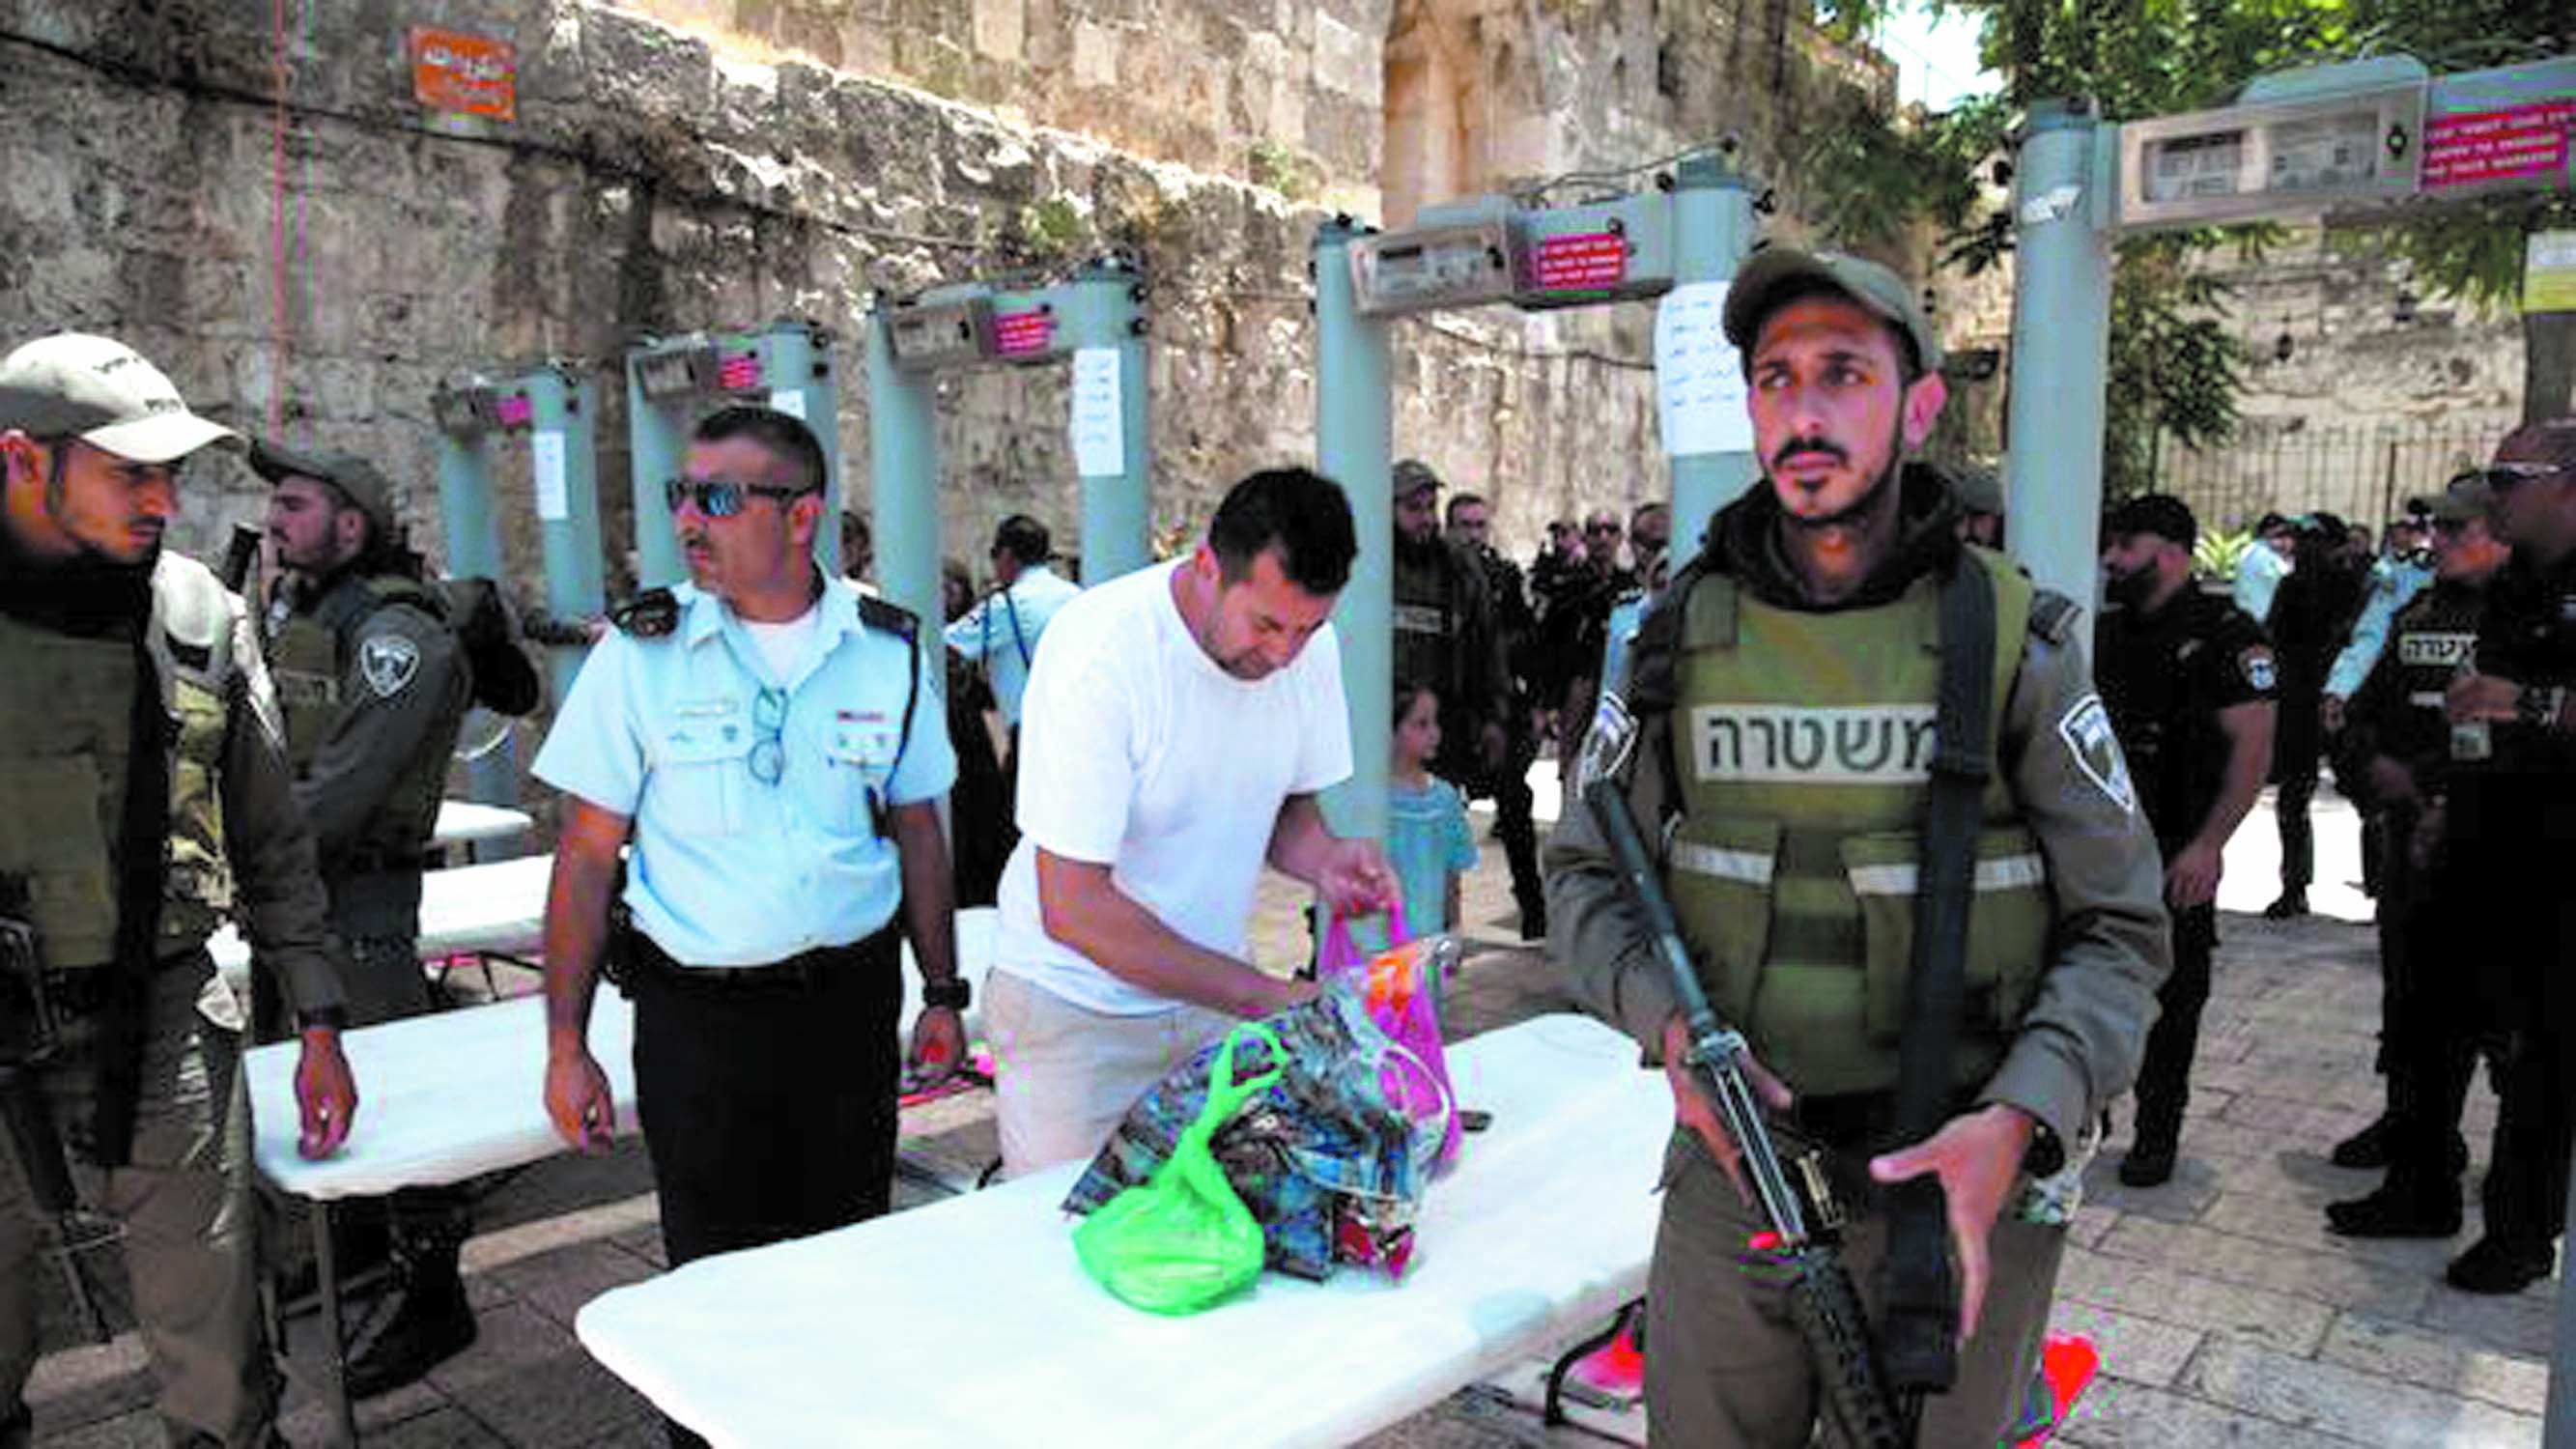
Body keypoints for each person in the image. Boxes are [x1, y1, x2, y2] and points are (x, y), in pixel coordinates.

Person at [1546, 249, 2169, 1446]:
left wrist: (2023, 1120)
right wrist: (1667, 1032)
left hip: (1960, 1182)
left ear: (1919, 404)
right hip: (1739, 1180)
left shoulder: (2013, 647)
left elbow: (2123, 927)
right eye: (1777, 379)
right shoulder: (1676, 637)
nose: (1807, 411)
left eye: (1844, 373)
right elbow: (1586, 871)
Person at [0, 332, 358, 1448]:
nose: (162, 497)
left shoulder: (199, 614)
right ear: (22, 460)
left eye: (171, 471)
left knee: (215, 1357)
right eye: (129, 470)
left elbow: (272, 840)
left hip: (161, 1020)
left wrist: (319, 1020)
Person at [535, 407, 964, 1312]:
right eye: (681, 494)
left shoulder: (887, 651)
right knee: (714, 1288)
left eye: (718, 498)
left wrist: (940, 994)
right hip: (702, 1024)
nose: (688, 519)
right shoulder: (640, 657)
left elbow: (919, 825)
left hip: (847, 1009)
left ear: (801, 515)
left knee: (846, 1260)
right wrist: (566, 1047)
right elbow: (582, 863)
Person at [985, 466, 1398, 1178]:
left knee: (1214, 1245)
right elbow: (1073, 907)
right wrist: (1263, 996)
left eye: (1308, 628)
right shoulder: (1099, 650)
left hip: (1209, 1002)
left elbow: (1286, 811)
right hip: (1076, 1013)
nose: (1283, 654)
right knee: (1068, 1260)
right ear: (1206, 566)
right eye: (1266, 623)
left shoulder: (1307, 650)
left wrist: (1325, 859)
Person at [252, 440, 479, 1393]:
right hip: (302, 881)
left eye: (295, 506)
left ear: (352, 524)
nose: (274, 522)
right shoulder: (297, 608)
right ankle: (349, 1243)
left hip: (361, 891)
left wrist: (249, 856)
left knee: (389, 1079)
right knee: (304, 1066)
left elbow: (344, 789)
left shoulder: (397, 632)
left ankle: (436, 1293)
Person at [2416, 418, 2576, 1293]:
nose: (2491, 491)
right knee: (2439, 1013)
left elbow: (2526, 701)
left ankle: (2521, 1231)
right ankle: (2421, 1181)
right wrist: (2447, 794)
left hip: (2561, 860)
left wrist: (2531, 702)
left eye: (2507, 475)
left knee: (2542, 1057)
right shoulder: (2512, 585)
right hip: (2487, 832)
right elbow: (2487, 701)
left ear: (2565, 482)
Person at [2323, 473, 2503, 1237]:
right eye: (2438, 530)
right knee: (2411, 1002)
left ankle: (2518, 1190)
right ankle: (2411, 1134)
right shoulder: (2417, 607)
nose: (2441, 543)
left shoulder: (2523, 618)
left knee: (2496, 1021)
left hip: (2488, 844)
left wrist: (2430, 783)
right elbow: (2364, 705)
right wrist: (2375, 774)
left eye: (2459, 531)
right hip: (2406, 837)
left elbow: (2507, 734)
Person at [2096, 494, 2278, 1188]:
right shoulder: (2108, 634)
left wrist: (2209, 844)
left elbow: (2251, 748)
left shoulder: (2226, 633)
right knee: (2094, 985)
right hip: (2105, 848)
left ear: (2170, 550)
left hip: (2177, 847)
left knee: (2173, 1002)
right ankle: (2093, 1113)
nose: (2111, 559)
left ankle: (2155, 1133)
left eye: (2125, 545)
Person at [1388, 463, 1514, 930]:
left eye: (1429, 507)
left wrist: (1494, 718)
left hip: (1439, 734)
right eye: (1411, 508)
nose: (1424, 519)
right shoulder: (1370, 567)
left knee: (1438, 845)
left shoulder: (1459, 570)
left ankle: (1441, 937)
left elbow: (1487, 647)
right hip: (1376, 739)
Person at [1445, 490, 1546, 938]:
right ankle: (1443, 921)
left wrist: (1530, 702)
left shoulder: (1504, 577)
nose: (1472, 534)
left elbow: (1528, 640)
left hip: (1498, 710)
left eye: (1478, 524)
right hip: (1449, 713)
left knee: (1516, 811)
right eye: (1463, 525)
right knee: (1443, 819)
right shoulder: (1439, 575)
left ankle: (1533, 911)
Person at [2261, 513, 2364, 919]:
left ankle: (2377, 887)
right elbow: (2272, 639)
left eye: (2316, 541)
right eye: (2303, 540)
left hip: (2341, 699)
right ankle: (2294, 885)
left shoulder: (2354, 586)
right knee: (2292, 796)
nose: (2307, 549)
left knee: (2367, 793)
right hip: (2297, 703)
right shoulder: (2290, 587)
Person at [1383, 678, 1477, 948]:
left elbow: (1452, 873)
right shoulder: (1369, 800)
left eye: (1435, 722)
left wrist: (1455, 927)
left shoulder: (1444, 798)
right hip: (1376, 945)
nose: (1435, 732)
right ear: (1390, 730)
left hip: (1428, 942)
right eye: (1421, 724)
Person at [2232, 511, 2296, 625]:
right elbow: (2290, 579)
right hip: (2264, 622)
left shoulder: (2248, 551)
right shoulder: (2266, 556)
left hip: (2245, 618)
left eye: (2288, 535)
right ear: (2265, 535)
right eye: (2279, 535)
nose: (2286, 541)